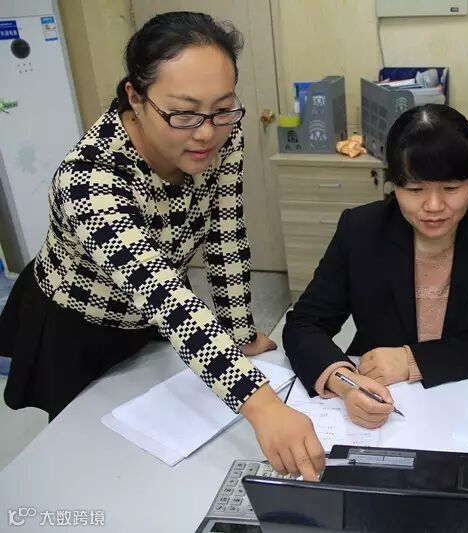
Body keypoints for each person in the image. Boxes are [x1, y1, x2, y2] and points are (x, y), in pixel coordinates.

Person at [0, 12, 324, 479]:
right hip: (79, 324)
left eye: (222, 108)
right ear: (135, 96)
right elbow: (163, 295)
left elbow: (225, 232)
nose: (206, 132)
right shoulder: (88, 178)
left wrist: (239, 330)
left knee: (167, 451)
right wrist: (263, 406)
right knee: (94, 460)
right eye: (183, 113)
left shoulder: (220, 132)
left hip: (152, 318)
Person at [284, 104, 468, 429]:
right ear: (394, 184)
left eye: (451, 188)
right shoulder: (361, 230)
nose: (433, 206)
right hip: (383, 398)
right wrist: (344, 381)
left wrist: (413, 360)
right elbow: (304, 324)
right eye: (416, 190)